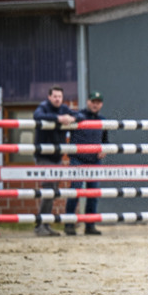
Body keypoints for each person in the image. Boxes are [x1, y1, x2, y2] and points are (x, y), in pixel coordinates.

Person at [32, 86, 76, 236]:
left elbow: (80, 116)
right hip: (44, 156)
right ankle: (40, 226)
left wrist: (72, 119)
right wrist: (59, 119)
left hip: (57, 157)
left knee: (53, 192)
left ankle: (45, 224)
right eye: (55, 96)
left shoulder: (65, 108)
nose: (57, 99)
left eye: (60, 96)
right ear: (49, 97)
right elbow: (36, 116)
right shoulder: (43, 107)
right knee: (49, 191)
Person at [64, 91, 108, 236]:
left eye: (98, 102)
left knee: (93, 194)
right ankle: (69, 224)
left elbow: (106, 141)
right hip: (78, 158)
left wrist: (105, 149)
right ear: (88, 102)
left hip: (95, 160)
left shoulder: (103, 120)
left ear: (101, 104)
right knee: (75, 191)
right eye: (93, 101)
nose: (95, 104)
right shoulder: (78, 117)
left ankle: (90, 225)